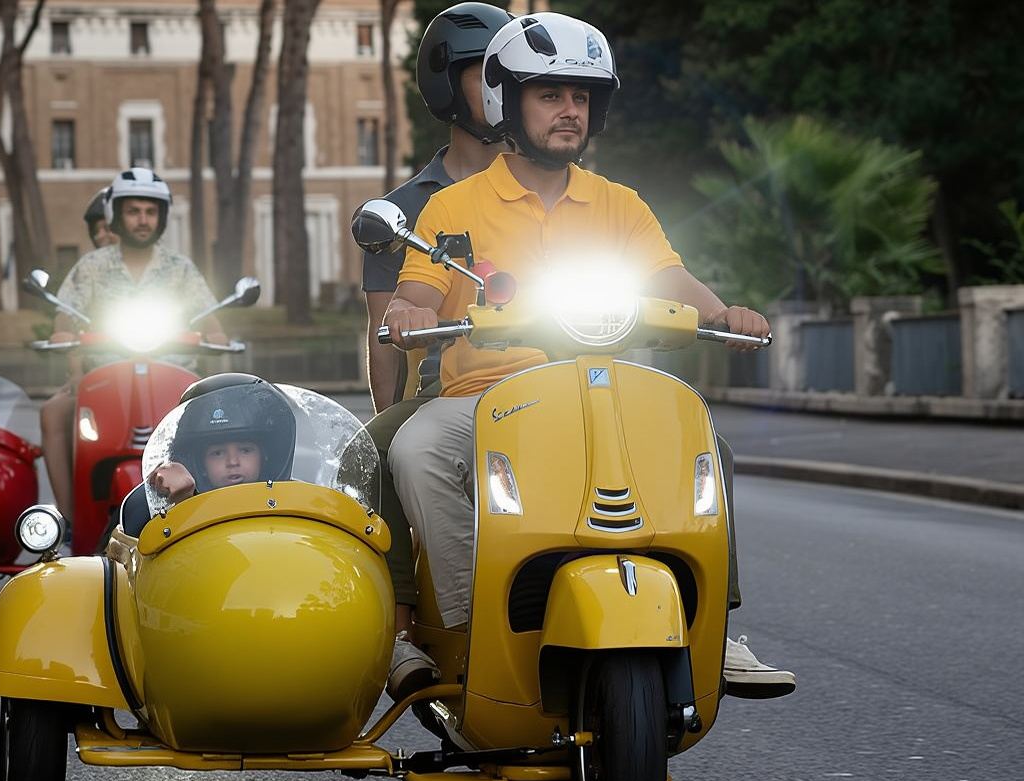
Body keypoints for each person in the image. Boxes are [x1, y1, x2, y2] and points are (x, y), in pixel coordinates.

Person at [384, 12, 795, 700]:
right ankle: (466, 620)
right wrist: (409, 309)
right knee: (415, 449)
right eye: (550, 95)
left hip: (600, 385)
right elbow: (417, 287)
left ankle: (714, 627)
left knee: (707, 446)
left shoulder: (619, 204)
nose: (569, 111)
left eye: (580, 97)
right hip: (486, 396)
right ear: (508, 102)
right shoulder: (452, 208)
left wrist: (726, 313)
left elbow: (668, 276)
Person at [357, 2, 513, 700]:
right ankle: (399, 628)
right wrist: (387, 413)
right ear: (448, 85)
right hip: (446, 382)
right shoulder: (409, 203)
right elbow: (383, 325)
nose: (504, 90)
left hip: (555, 369)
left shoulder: (549, 186)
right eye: (487, 75)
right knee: (370, 450)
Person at [39, 167, 226, 522]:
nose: (143, 220)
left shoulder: (180, 268)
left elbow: (211, 321)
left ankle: (213, 512)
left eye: (150, 212)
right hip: (104, 377)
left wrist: (217, 338)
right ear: (116, 216)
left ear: (162, 218)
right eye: (133, 211)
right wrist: (65, 343)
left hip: (173, 376)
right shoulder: (91, 266)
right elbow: (65, 320)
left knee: (224, 415)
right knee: (54, 411)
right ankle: (66, 518)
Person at [146, 376, 297, 504]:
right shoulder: (183, 497)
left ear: (265, 456)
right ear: (200, 463)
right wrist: (181, 498)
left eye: (245, 450)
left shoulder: (294, 499)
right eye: (217, 453)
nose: (232, 462)